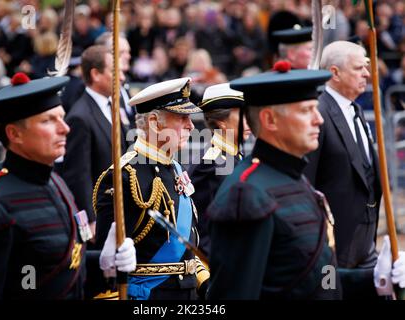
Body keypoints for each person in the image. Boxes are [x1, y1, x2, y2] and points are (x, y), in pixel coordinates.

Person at [206, 61, 405, 300]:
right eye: (305, 111)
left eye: (316, 109)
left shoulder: (295, 178)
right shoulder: (247, 193)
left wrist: (375, 280)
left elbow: (319, 279)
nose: (318, 119)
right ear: (270, 120)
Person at [0, 73, 136, 299]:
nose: (65, 128)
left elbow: (57, 266)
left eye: (61, 117)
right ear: (15, 133)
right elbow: (12, 287)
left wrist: (104, 264)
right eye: (48, 120)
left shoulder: (55, 181)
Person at [94, 78, 209, 300]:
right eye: (182, 118)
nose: (191, 125)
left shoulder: (174, 166)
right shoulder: (123, 177)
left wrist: (204, 281)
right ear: (155, 122)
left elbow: (187, 243)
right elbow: (106, 264)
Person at [303, 41, 386, 299]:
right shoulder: (318, 112)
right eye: (359, 68)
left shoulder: (357, 109)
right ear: (335, 73)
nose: (366, 74)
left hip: (368, 237)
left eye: (367, 68)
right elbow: (307, 183)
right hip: (334, 241)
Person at [57, 45, 129, 236]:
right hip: (100, 217)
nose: (121, 77)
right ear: (96, 74)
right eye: (116, 71)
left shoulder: (113, 105)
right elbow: (78, 175)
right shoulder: (80, 117)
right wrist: (90, 219)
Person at [188, 83, 251, 256]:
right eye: (242, 115)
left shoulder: (235, 156)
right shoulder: (210, 164)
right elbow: (201, 230)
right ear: (222, 122)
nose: (249, 121)